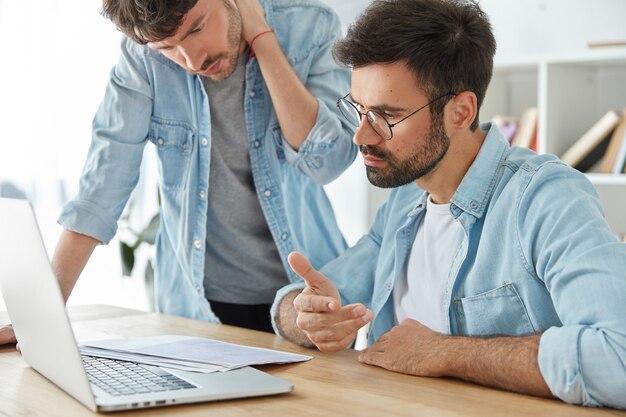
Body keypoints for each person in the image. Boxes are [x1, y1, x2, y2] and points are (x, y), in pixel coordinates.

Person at [272, 0, 626, 409]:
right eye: (359, 110)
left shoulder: (547, 199)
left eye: (387, 116)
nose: (362, 137)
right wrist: (304, 315)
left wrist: (443, 352)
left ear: (460, 111)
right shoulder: (406, 199)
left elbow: (618, 355)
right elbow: (313, 295)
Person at [0, 0, 356, 344]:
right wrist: (40, 316)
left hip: (307, 305)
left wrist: (263, 38)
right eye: (167, 47)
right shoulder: (142, 58)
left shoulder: (310, 26)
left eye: (198, 28)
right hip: (196, 311)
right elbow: (101, 188)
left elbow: (327, 163)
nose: (192, 60)